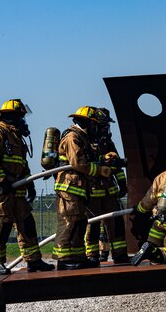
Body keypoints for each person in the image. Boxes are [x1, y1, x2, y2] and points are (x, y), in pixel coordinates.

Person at [0, 99, 55, 275]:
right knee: (2, 225)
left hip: (17, 190)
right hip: (2, 191)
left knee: (27, 224)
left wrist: (29, 184)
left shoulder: (16, 137)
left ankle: (33, 260)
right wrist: (2, 181)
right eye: (20, 117)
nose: (23, 121)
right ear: (10, 117)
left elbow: (23, 164)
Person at [52, 106, 114, 270]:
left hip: (79, 189)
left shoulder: (83, 138)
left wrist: (104, 159)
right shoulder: (73, 137)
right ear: (86, 123)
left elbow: (89, 158)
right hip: (69, 189)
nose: (96, 128)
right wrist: (100, 170)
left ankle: (78, 256)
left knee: (80, 223)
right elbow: (79, 163)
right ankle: (64, 260)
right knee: (68, 223)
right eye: (93, 124)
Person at [85, 107, 130, 264]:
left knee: (116, 223)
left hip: (110, 191)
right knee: (93, 225)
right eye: (103, 126)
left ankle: (120, 255)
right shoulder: (86, 142)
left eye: (107, 126)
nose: (106, 129)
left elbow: (116, 165)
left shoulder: (108, 143)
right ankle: (92, 256)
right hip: (92, 191)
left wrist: (122, 183)